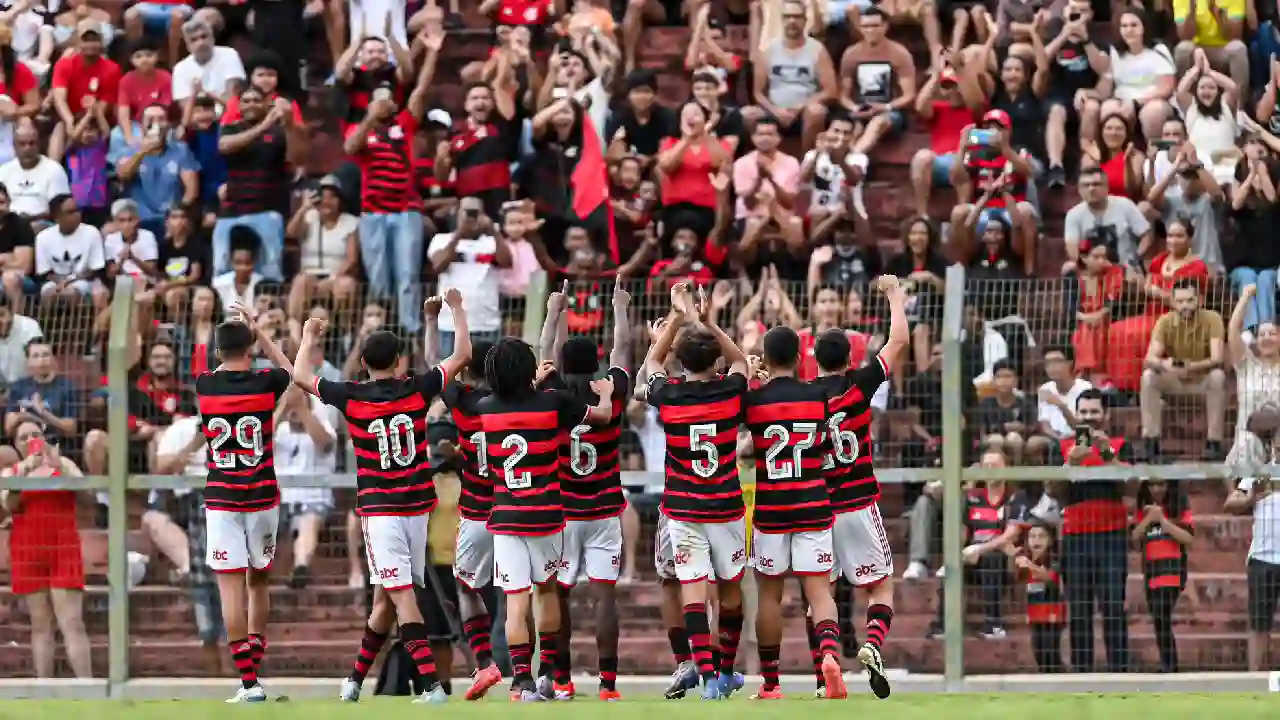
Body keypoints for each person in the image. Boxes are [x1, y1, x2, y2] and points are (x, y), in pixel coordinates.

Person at [295, 291, 472, 704]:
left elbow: (302, 376)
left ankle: (429, 686)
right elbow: (462, 353)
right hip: (416, 506)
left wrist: (307, 336)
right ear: (400, 362)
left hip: (381, 510)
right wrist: (456, 310)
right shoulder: (417, 389)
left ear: (363, 364)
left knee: (400, 596)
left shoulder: (350, 396)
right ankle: (358, 681)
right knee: (388, 599)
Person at [476, 337, 615, 701]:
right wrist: (605, 396)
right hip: (547, 515)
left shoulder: (486, 408)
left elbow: (513, 400)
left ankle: (521, 680)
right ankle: (548, 674)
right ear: (528, 370)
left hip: (506, 516)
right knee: (547, 590)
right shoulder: (553, 402)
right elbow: (601, 417)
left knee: (515, 601)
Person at [642, 282, 749, 700]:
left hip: (683, 507)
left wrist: (676, 319)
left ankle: (705, 678)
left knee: (691, 588)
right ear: (716, 359)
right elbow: (739, 358)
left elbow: (652, 359)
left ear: (678, 361)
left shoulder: (668, 395)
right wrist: (706, 322)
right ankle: (724, 671)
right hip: (725, 505)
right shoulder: (730, 391)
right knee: (730, 588)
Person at [810, 273, 907, 699]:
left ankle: (828, 658)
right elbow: (898, 344)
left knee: (823, 591)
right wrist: (894, 296)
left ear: (813, 360)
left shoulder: (803, 396)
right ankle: (871, 644)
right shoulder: (860, 384)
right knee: (880, 585)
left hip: (818, 507)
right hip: (859, 502)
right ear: (849, 357)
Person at [194, 302, 294, 702]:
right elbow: (292, 370)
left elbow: (213, 364)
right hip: (262, 494)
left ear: (218, 352)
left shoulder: (205, 385)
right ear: (250, 348)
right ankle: (255, 664)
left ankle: (249, 682)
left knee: (229, 589)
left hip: (223, 496)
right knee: (259, 580)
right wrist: (260, 331)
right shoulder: (265, 382)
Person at [742, 324, 846, 700]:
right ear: (801, 358)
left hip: (772, 507)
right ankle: (830, 658)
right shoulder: (818, 395)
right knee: (819, 591)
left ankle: (770, 683)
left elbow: (748, 442)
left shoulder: (752, 401)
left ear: (766, 358)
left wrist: (754, 380)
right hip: (813, 502)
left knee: (769, 595)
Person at [539, 280, 631, 701]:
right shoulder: (607, 392)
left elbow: (544, 354)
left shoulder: (550, 395)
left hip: (561, 513)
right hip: (604, 510)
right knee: (604, 597)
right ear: (594, 364)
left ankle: (561, 679)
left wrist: (554, 312)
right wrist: (619, 308)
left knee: (558, 596)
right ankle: (608, 685)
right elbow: (623, 351)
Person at [436, 336, 502, 700]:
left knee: (466, 586)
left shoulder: (461, 401)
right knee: (525, 592)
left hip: (477, 511)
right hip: (515, 507)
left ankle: (485, 662)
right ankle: (532, 676)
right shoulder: (515, 401)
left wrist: (435, 322)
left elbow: (437, 365)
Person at [0, 418, 92, 678]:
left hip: (63, 547)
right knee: (41, 624)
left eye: (35, 435)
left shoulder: (64, 465)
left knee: (72, 622)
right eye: (23, 438)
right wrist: (26, 472)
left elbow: (88, 496)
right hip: (28, 551)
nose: (30, 441)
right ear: (16, 446)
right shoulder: (11, 473)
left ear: (44, 437)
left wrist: (60, 467)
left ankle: (88, 689)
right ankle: (45, 689)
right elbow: (11, 505)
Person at [1060, 387, 1132, 672]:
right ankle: (1082, 674)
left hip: (1111, 537)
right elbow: (1055, 493)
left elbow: (1132, 489)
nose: (1089, 418)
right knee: (1079, 610)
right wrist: (1070, 464)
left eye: (1094, 412)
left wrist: (1109, 456)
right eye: (1083, 412)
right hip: (1076, 537)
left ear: (1106, 415)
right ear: (1076, 415)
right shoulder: (1065, 447)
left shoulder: (1120, 444)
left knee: (1113, 607)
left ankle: (1120, 673)